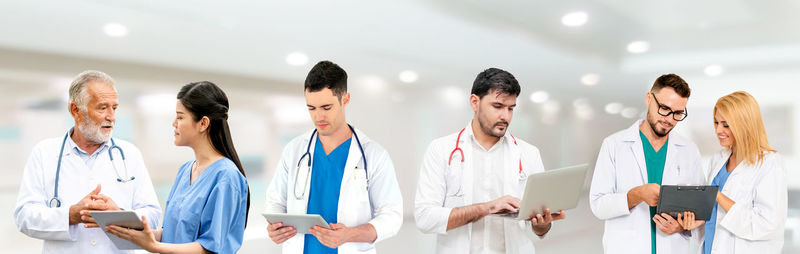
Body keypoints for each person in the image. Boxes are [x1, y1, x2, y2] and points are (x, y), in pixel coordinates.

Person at [415, 68, 565, 254]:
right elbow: (425, 218)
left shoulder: (529, 153)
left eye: (511, 108)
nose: (506, 116)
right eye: (498, 106)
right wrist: (488, 208)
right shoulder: (441, 150)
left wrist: (542, 225)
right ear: (474, 102)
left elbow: (539, 228)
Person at [13, 70, 162, 253]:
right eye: (102, 108)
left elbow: (153, 215)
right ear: (75, 110)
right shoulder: (44, 153)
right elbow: (24, 217)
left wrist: (119, 214)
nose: (111, 116)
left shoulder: (130, 154)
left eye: (114, 108)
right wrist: (70, 215)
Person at [264, 60, 403, 254]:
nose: (318, 117)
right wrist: (275, 227)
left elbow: (392, 217)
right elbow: (275, 202)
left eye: (326, 107)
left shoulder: (374, 155)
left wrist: (350, 234)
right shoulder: (294, 150)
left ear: (345, 100)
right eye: (311, 108)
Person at [105, 81, 250, 253]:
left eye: (180, 117)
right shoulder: (185, 171)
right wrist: (135, 229)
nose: (174, 123)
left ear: (203, 123)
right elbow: (171, 234)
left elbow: (210, 248)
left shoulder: (226, 176)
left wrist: (155, 247)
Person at [589, 73, 706, 254]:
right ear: (649, 98)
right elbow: (598, 205)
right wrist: (636, 195)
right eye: (664, 108)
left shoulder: (689, 150)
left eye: (677, 113)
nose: (669, 119)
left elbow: (699, 209)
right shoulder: (614, 145)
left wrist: (681, 227)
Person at [678, 91, 787, 254]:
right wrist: (698, 222)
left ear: (745, 124)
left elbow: (766, 225)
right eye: (716, 122)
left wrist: (717, 195)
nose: (718, 130)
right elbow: (716, 214)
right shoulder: (718, 159)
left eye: (726, 125)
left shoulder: (769, 163)